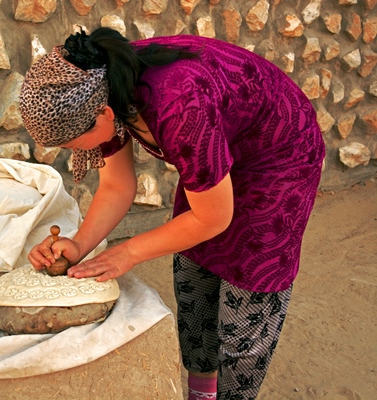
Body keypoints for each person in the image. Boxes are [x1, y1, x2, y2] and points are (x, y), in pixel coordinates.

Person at [19, 27, 325, 400]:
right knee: (194, 277)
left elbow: (212, 218)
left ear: (103, 114)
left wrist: (127, 252)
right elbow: (117, 186)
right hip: (220, 148)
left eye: (69, 143)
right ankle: (202, 393)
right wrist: (80, 244)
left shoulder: (177, 103)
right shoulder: (102, 87)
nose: (69, 150)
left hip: (278, 157)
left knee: (248, 294)